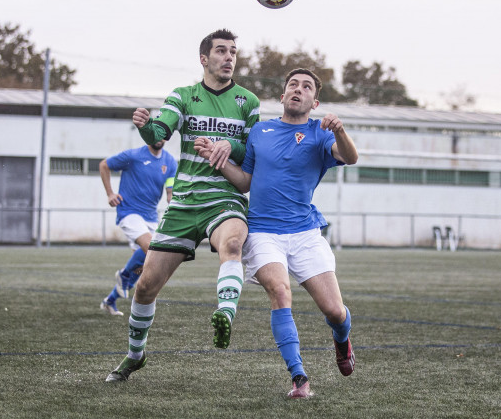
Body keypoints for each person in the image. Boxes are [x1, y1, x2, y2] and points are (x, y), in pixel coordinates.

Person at [105, 29, 260, 382]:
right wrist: (147, 129)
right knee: (145, 287)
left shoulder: (247, 102)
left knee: (232, 244)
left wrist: (228, 146)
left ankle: (225, 312)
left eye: (233, 51)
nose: (228, 57)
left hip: (224, 198)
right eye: (221, 51)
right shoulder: (184, 96)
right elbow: (161, 131)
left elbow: (252, 152)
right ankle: (134, 355)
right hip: (185, 202)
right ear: (204, 59)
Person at [195, 68, 359, 398]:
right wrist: (218, 159)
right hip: (263, 232)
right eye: (293, 85)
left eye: (307, 87)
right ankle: (299, 377)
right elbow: (246, 182)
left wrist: (339, 130)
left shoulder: (320, 133)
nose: (299, 89)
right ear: (283, 96)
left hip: (305, 233)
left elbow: (350, 157)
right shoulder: (260, 131)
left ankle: (342, 341)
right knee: (280, 292)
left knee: (335, 312)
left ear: (315, 101)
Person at [98, 140, 177, 316]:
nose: (159, 138)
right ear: (148, 135)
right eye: (155, 134)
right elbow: (104, 165)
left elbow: (170, 193)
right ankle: (125, 277)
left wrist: (175, 205)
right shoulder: (133, 156)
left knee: (151, 260)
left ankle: (110, 300)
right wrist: (110, 193)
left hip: (151, 217)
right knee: (152, 248)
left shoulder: (170, 162)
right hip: (129, 212)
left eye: (163, 134)